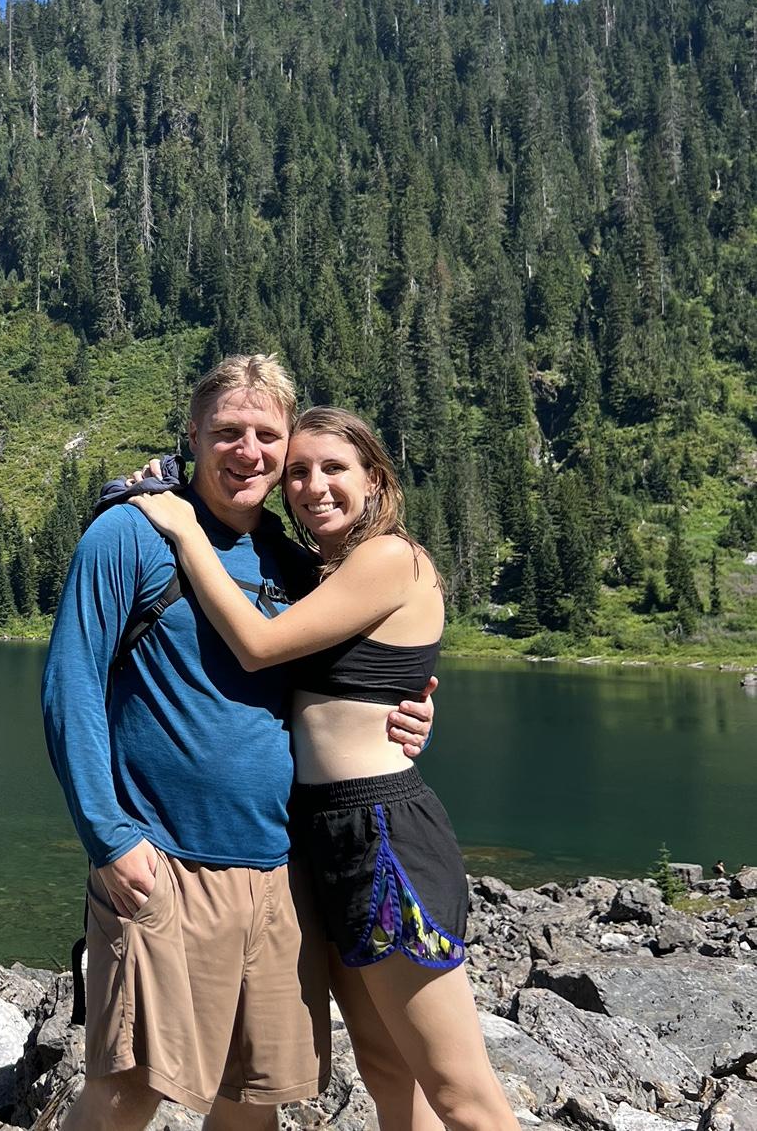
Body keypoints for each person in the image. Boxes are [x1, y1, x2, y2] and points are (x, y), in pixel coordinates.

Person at [41, 356, 434, 1131]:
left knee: (253, 1094)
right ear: (191, 437)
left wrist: (411, 712)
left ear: (285, 447)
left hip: (283, 875)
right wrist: (109, 837)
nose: (246, 450)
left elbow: (352, 670)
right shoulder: (129, 535)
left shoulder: (295, 563)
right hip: (163, 862)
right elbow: (70, 687)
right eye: (225, 432)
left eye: (265, 434)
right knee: (130, 1086)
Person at [128, 405, 517, 1131]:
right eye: (298, 472)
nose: (312, 487)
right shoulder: (325, 570)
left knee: (462, 1094)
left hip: (382, 833)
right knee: (385, 1068)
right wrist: (181, 480)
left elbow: (257, 646)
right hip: (323, 832)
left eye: (333, 469)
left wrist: (182, 526)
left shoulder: (390, 557)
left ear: (375, 478)